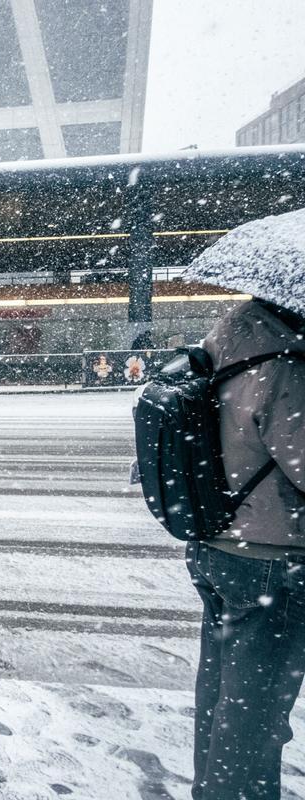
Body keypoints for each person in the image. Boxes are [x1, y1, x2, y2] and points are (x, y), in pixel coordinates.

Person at [186, 298, 305, 799]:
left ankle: (213, 790)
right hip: (269, 554)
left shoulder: (227, 342)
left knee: (222, 700)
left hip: (217, 543)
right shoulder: (286, 369)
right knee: (253, 720)